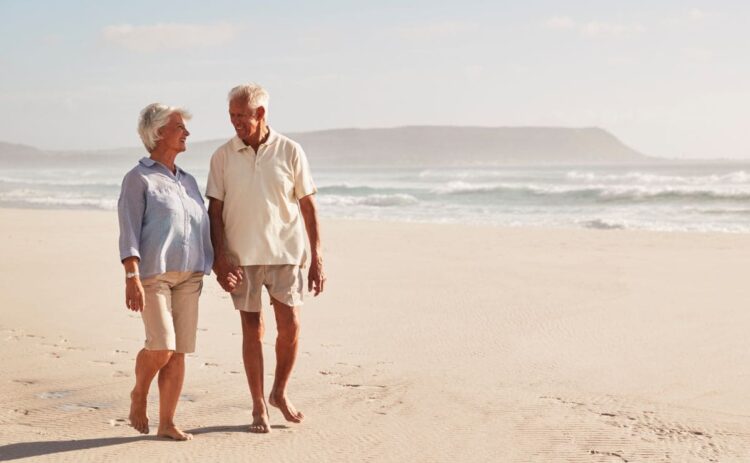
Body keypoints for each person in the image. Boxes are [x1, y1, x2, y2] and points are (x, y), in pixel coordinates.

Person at [207, 83, 325, 433]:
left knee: (290, 327)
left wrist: (317, 256)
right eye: (231, 115)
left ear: (260, 113)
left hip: (287, 254)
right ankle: (259, 404)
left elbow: (308, 205)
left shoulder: (291, 151)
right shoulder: (223, 156)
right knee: (252, 330)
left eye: (241, 115)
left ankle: (279, 392)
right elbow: (214, 211)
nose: (235, 122)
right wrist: (221, 257)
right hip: (242, 257)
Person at [118, 103, 213, 441]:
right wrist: (131, 277)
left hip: (190, 277)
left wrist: (217, 264)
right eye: (179, 127)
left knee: (179, 352)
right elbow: (128, 230)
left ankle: (167, 422)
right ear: (158, 133)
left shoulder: (188, 181)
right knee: (162, 347)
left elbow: (202, 226)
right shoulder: (138, 178)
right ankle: (139, 394)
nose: (186, 133)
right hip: (153, 276)